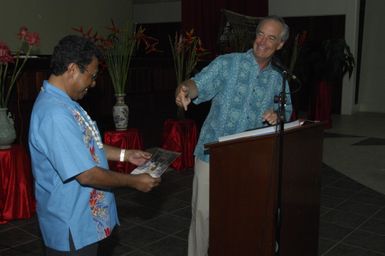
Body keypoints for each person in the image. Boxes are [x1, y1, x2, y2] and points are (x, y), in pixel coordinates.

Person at [28, 35, 161, 255]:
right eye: (91, 75)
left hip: (85, 219)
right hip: (71, 225)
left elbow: (87, 145)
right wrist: (134, 182)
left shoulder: (65, 102)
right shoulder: (54, 114)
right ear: (72, 69)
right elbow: (86, 174)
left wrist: (125, 155)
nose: (93, 82)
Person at [175, 15, 293, 256]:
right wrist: (185, 88)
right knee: (203, 215)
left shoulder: (279, 79)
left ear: (280, 44)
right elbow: (198, 84)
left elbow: (287, 110)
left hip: (250, 161)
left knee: (240, 218)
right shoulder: (227, 63)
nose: (263, 41)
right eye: (260, 34)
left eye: (271, 38)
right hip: (212, 156)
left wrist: (278, 115)